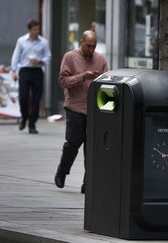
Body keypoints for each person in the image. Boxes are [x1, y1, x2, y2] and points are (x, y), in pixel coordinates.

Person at [54, 30, 108, 193]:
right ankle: (62, 172)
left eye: (94, 46)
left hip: (94, 110)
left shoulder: (100, 59)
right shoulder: (70, 57)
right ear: (81, 42)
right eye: (88, 46)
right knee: (72, 143)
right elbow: (63, 81)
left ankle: (88, 183)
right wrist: (82, 76)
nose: (91, 50)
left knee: (91, 148)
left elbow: (107, 81)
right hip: (75, 108)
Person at [11, 19, 51, 134]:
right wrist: (13, 70)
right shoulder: (21, 41)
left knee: (36, 99)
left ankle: (32, 124)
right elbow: (16, 56)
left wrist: (40, 61)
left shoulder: (43, 42)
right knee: (23, 97)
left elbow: (48, 56)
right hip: (25, 70)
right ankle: (24, 117)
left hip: (37, 71)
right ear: (29, 30)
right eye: (35, 29)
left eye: (38, 29)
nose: (37, 31)